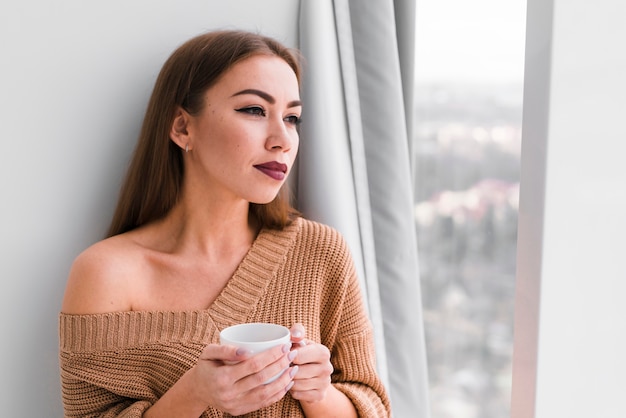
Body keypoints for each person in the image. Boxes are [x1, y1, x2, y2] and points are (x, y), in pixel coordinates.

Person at [59, 30, 391, 418]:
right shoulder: (105, 274)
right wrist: (195, 393)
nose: (282, 139)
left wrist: (317, 393)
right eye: (254, 110)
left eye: (292, 117)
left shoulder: (321, 252)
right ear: (183, 128)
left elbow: (372, 405)